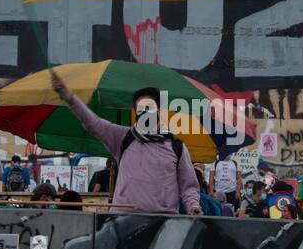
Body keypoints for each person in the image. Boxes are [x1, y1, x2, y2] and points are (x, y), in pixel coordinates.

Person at [50, 71, 201, 215]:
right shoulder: (123, 137)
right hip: (122, 219)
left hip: (163, 222)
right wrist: (70, 98)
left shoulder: (177, 146)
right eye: (141, 109)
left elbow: (189, 187)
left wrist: (193, 207)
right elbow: (92, 123)